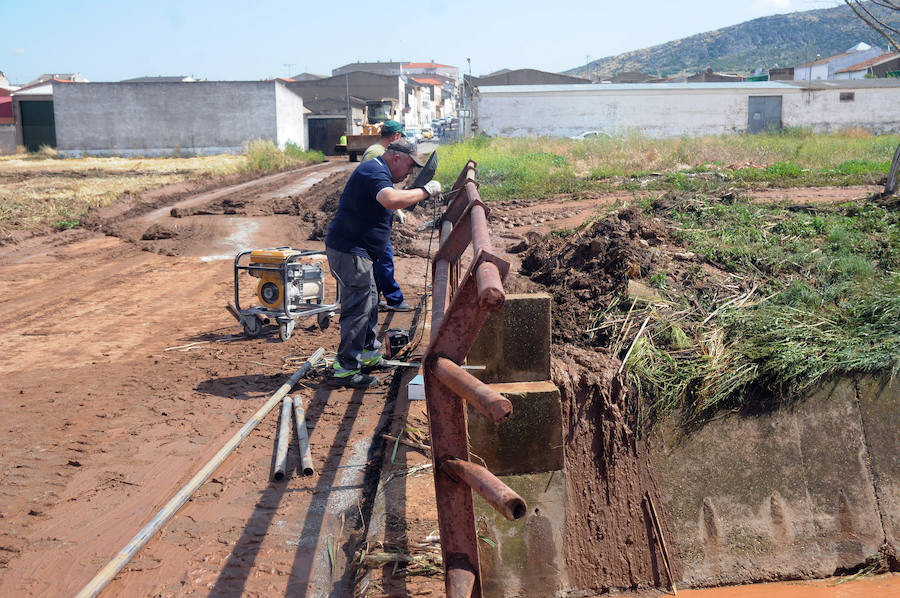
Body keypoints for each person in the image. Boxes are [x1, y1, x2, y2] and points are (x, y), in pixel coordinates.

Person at [325, 139, 442, 388]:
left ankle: (367, 354)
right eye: (410, 166)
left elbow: (386, 201)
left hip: (361, 250)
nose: (410, 173)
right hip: (350, 250)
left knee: (369, 303)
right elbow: (389, 199)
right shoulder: (374, 170)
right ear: (396, 158)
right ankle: (346, 368)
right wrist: (425, 191)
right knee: (358, 308)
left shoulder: (380, 171)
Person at [360, 120, 413, 312]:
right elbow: (375, 183)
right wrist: (395, 206)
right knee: (383, 257)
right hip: (372, 216)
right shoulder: (376, 153)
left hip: (376, 212)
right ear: (396, 136)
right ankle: (393, 299)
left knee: (380, 259)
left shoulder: (375, 150)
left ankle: (378, 297)